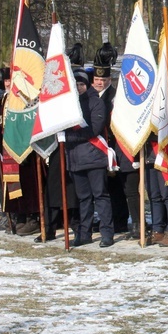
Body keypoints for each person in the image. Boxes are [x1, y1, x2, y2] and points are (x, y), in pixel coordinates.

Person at [64, 69, 115, 248]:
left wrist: (69, 138)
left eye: (81, 84)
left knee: (100, 195)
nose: (78, 87)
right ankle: (84, 233)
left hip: (94, 156)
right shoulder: (68, 104)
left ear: (87, 84)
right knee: (83, 198)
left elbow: (94, 129)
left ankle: (107, 233)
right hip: (75, 158)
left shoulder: (96, 102)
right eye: (76, 84)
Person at [93, 42, 130, 235]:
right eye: (97, 79)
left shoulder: (115, 97)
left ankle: (120, 220)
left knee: (116, 187)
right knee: (100, 188)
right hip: (95, 148)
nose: (100, 82)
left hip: (112, 146)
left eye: (104, 79)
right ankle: (104, 218)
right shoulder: (90, 96)